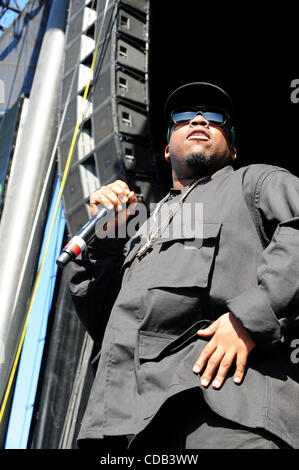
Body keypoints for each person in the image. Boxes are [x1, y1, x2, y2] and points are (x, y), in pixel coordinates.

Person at [67, 82, 299, 450]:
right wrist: (107, 238)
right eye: (184, 117)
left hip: (229, 414)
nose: (200, 121)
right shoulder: (140, 224)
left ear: (233, 148)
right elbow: (104, 318)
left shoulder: (253, 183)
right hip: (136, 426)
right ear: (165, 149)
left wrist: (251, 317)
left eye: (215, 118)